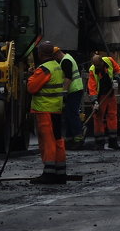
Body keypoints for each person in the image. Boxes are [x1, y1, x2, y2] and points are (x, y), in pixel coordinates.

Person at [26, 40, 67, 184]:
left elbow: (32, 88)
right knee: (58, 140)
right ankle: (60, 172)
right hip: (55, 109)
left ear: (40, 53)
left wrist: (31, 76)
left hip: (44, 111)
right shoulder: (56, 66)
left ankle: (49, 173)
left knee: (47, 141)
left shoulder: (43, 69)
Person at [88, 52, 120, 150]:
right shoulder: (93, 71)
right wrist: (94, 102)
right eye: (95, 65)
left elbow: (117, 69)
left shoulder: (110, 61)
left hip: (110, 94)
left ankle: (113, 141)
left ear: (102, 61)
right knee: (98, 117)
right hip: (100, 96)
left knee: (112, 115)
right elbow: (92, 87)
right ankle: (99, 142)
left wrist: (116, 78)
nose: (97, 67)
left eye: (98, 65)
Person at [54, 46, 85, 149]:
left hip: (74, 90)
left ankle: (78, 139)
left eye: (55, 56)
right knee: (69, 114)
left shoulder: (66, 61)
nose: (55, 59)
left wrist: (64, 92)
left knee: (72, 114)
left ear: (58, 53)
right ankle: (70, 138)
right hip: (75, 90)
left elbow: (68, 77)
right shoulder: (67, 58)